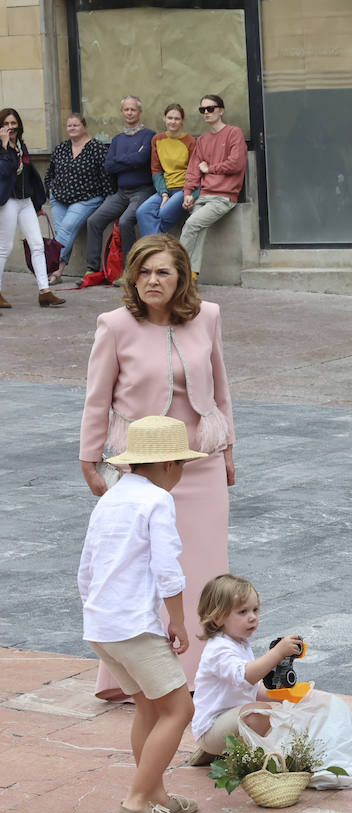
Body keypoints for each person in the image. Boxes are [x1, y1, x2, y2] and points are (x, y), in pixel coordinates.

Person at [81, 234, 236, 701]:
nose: (152, 280)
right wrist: (90, 461)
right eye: (143, 271)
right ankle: (137, 678)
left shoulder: (208, 316)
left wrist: (229, 448)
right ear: (132, 276)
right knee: (139, 571)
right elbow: (97, 399)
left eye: (163, 272)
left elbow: (222, 389)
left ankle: (198, 676)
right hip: (139, 469)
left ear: (181, 277)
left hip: (200, 465)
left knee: (205, 571)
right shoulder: (114, 325)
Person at [78, 414, 205, 813]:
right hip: (134, 626)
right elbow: (167, 568)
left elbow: (87, 565)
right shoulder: (157, 501)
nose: (182, 473)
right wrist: (178, 620)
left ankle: (157, 797)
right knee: (179, 709)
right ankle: (135, 803)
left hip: (101, 624)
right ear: (169, 465)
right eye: (182, 465)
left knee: (150, 708)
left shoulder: (111, 497)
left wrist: (94, 611)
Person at [190, 573, 305, 760]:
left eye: (255, 610)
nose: (252, 617)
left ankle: (218, 753)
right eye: (243, 612)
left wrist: (287, 696)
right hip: (211, 728)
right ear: (218, 618)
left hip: (225, 723)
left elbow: (250, 688)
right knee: (258, 713)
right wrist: (277, 653)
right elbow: (246, 676)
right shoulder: (219, 648)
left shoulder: (239, 643)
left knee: (261, 708)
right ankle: (239, 760)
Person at [82, 96, 155, 286]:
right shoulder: (117, 139)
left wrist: (121, 160)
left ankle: (128, 271)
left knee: (125, 222)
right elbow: (109, 166)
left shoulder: (149, 136)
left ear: (140, 112)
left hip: (143, 191)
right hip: (121, 193)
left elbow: (141, 160)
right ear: (122, 112)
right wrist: (130, 159)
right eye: (126, 110)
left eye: (133, 110)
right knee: (94, 220)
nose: (129, 113)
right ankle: (93, 268)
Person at [0, 108, 65, 308]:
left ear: (19, 125)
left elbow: (31, 175)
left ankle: (44, 291)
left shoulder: (21, 146)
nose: (11, 127)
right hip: (8, 201)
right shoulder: (2, 147)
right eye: (6, 124)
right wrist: (3, 147)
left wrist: (38, 204)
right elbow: (4, 171)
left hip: (26, 201)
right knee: (4, 247)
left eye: (13, 123)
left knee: (37, 245)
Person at [180, 95, 247, 279]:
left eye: (211, 108)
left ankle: (176, 273)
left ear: (221, 110)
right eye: (203, 110)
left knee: (191, 225)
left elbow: (237, 163)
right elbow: (194, 169)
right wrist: (187, 193)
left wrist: (211, 168)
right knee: (198, 229)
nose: (206, 113)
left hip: (224, 197)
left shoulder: (234, 133)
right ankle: (191, 275)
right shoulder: (202, 140)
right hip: (204, 196)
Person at [44, 113, 109, 286]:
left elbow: (106, 175)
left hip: (87, 198)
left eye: (76, 125)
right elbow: (50, 172)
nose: (72, 128)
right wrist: (49, 188)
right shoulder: (61, 148)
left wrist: (108, 199)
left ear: (85, 127)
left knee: (65, 230)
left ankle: (55, 270)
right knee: (63, 233)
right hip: (59, 198)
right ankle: (55, 270)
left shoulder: (97, 147)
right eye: (69, 125)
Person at [135, 104, 196, 238]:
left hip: (183, 189)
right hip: (165, 189)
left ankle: (153, 247)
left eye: (177, 119)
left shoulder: (190, 141)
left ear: (182, 120)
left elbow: (194, 172)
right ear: (164, 118)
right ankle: (157, 246)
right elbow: (156, 170)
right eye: (170, 118)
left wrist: (189, 192)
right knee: (142, 212)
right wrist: (164, 194)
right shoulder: (157, 139)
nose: (173, 122)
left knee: (163, 214)